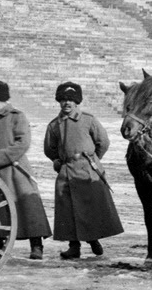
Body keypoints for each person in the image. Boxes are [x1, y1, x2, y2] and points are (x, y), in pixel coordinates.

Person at [43, 82, 122, 259]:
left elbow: (103, 142)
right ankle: (74, 246)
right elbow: (49, 149)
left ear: (77, 102)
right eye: (63, 100)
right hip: (66, 172)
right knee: (68, 210)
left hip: (87, 171)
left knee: (90, 207)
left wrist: (92, 160)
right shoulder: (54, 125)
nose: (67, 103)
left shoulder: (88, 120)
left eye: (70, 100)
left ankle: (93, 239)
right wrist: (58, 161)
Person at [0, 81, 51, 259]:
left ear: (3, 99)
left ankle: (36, 245)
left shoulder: (17, 116)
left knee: (28, 207)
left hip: (17, 171)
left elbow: (22, 143)